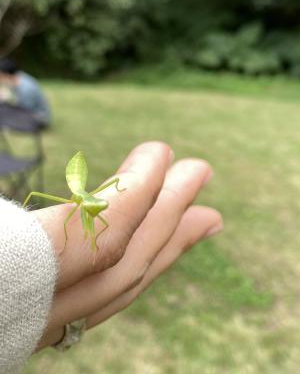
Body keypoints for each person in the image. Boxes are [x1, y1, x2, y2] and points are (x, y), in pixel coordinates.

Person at [0, 142, 223, 373]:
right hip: (76, 189)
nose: (96, 214)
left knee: (99, 226)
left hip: (81, 193)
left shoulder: (90, 207)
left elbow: (103, 225)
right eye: (94, 209)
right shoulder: (76, 205)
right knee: (53, 209)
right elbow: (70, 228)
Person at [0, 58, 51, 128]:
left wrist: (7, 99)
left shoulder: (26, 88)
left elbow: (24, 111)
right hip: (28, 111)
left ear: (6, 75)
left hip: (39, 119)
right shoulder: (18, 77)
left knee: (4, 113)